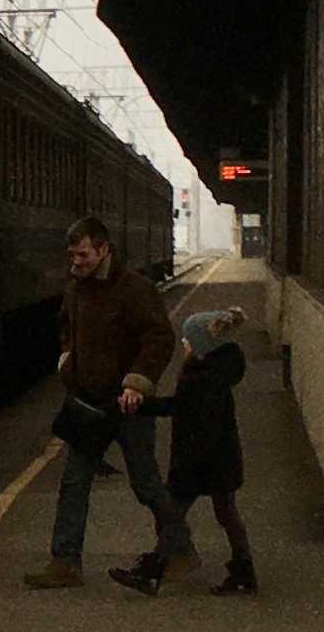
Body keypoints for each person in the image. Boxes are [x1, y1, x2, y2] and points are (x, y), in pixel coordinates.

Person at [24, 217, 196, 590]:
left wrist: (137, 382)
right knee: (74, 482)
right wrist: (68, 360)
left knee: (146, 484)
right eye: (72, 255)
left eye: (83, 254)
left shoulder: (135, 289)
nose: (76, 262)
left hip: (129, 406)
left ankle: (181, 549)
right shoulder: (76, 288)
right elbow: (66, 327)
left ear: (103, 250)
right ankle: (65, 562)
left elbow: (159, 338)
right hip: (88, 404)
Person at [110, 308, 256, 596]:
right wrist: (144, 407)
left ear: (201, 344)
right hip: (220, 460)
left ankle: (153, 573)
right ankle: (243, 571)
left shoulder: (202, 378)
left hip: (200, 463)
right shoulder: (212, 372)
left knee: (174, 516)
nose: (184, 342)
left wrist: (186, 464)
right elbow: (181, 407)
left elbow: (198, 423)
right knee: (225, 514)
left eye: (187, 338)